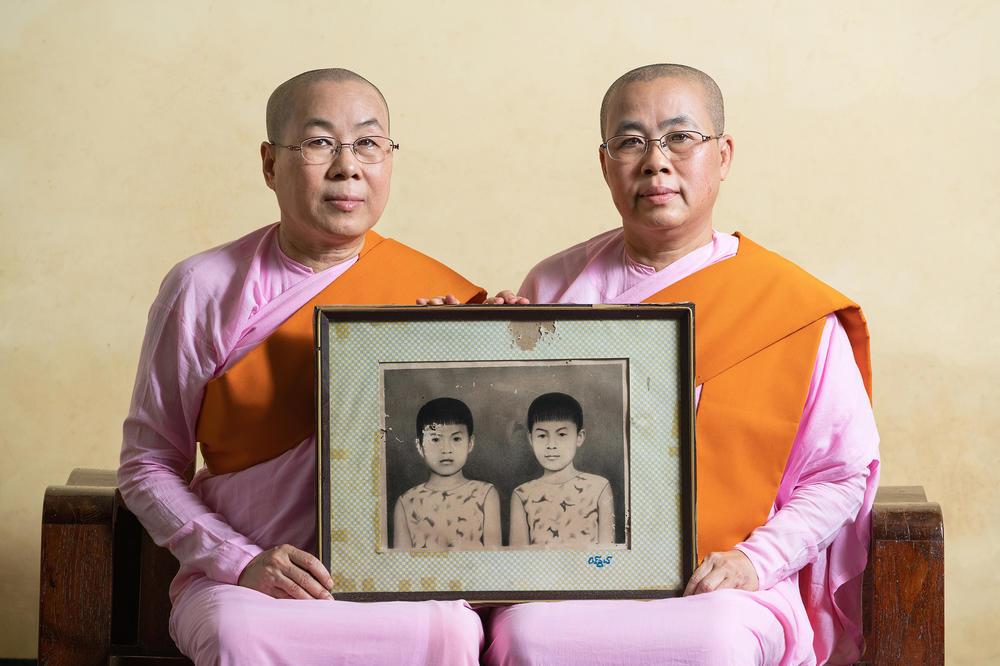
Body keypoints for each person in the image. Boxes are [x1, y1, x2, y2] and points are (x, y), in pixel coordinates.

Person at [485, 64, 880, 665]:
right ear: (604, 164)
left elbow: (841, 472)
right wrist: (477, 345)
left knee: (713, 641)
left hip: (722, 584)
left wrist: (756, 561)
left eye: (679, 137)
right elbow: (515, 449)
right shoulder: (554, 286)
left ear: (722, 155)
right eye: (630, 141)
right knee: (527, 636)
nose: (655, 161)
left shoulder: (792, 309)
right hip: (574, 574)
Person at [118, 68, 488, 666]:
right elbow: (148, 464)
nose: (348, 166)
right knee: (237, 634)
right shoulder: (204, 287)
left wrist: (503, 349)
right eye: (319, 143)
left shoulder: (434, 296)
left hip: (397, 584)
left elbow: (491, 453)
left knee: (450, 632)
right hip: (244, 584)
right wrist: (239, 561)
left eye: (369, 143)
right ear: (269, 164)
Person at [393, 397, 502, 550]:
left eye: (456, 438)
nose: (446, 449)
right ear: (419, 446)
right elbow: (401, 566)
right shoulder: (406, 502)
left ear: (470, 443)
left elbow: (495, 560)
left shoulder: (485, 495)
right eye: (435, 439)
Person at [509, 392, 615, 548]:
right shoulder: (522, 494)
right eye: (542, 436)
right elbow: (518, 561)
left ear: (579, 437)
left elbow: (609, 555)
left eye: (562, 434)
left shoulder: (599, 487)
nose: (551, 444)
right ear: (530, 439)